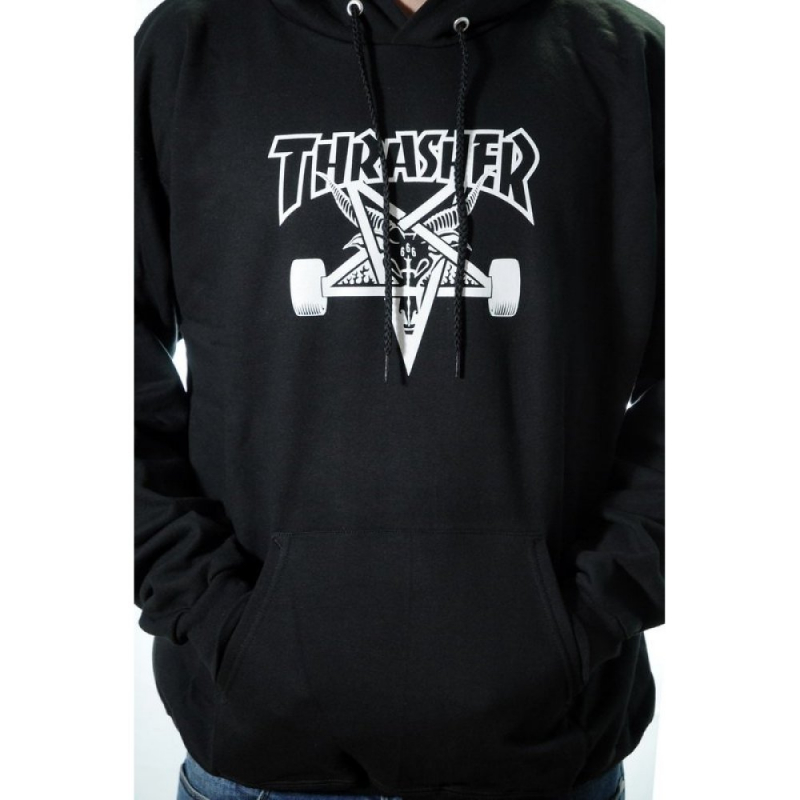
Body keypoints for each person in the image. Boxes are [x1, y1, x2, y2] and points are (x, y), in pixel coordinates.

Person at [134, 0, 664, 798]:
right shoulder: (190, 45)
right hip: (256, 758)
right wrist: (209, 614)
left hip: (546, 755)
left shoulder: (623, 57)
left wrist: (589, 616)